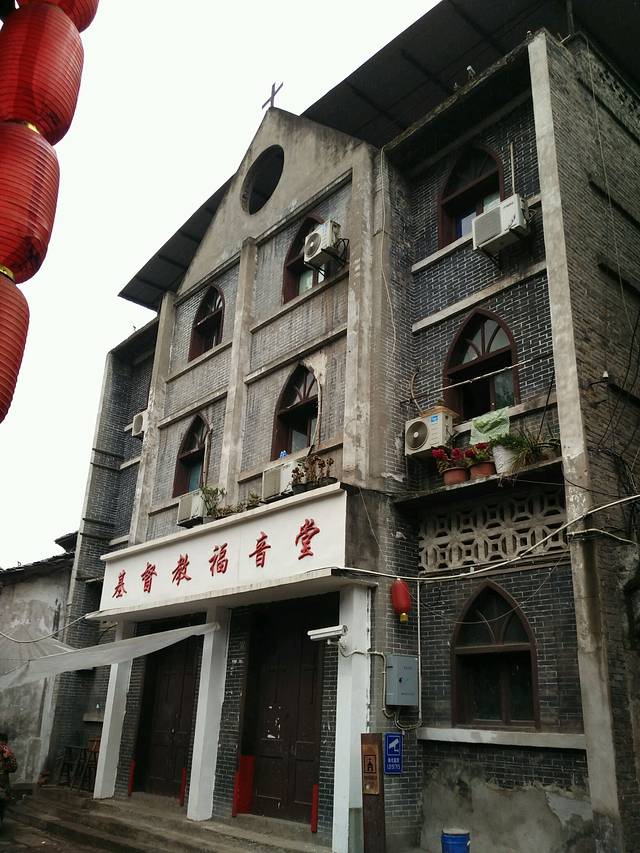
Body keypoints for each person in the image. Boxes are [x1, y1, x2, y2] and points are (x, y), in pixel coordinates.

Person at [0, 733, 16, 827]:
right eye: (0, 744)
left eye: (3, 744)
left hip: (3, 788)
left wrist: (7, 758)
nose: (1, 746)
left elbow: (13, 768)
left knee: (1, 808)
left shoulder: (9, 755)